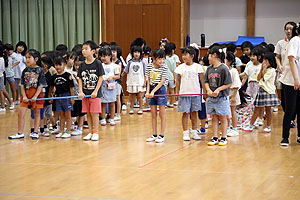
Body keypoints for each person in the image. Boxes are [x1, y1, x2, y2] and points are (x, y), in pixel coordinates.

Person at [8, 49, 47, 140]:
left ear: (36, 59)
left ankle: (35, 132)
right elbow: (22, 84)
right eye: (26, 57)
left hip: (37, 94)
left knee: (37, 113)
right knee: (20, 113)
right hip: (26, 94)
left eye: (29, 57)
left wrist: (35, 96)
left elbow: (41, 85)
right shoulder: (25, 70)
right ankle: (20, 132)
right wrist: (24, 96)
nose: (27, 59)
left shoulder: (40, 70)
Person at [242, 52, 280, 133]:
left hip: (268, 91)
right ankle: (251, 125)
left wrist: (264, 69)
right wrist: (262, 69)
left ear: (271, 61)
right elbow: (259, 78)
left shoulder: (272, 70)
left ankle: (268, 126)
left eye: (266, 60)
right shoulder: (262, 68)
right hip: (261, 90)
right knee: (256, 109)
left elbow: (264, 78)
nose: (264, 62)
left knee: (268, 109)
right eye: (264, 60)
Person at [175, 46, 205, 141]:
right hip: (184, 94)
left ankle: (194, 132)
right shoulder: (180, 68)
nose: (183, 57)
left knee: (194, 114)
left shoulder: (198, 67)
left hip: (195, 94)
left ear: (192, 56)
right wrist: (177, 93)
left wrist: (204, 92)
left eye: (185, 54)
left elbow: (202, 80)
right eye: (182, 54)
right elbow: (178, 81)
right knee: (185, 113)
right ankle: (185, 132)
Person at [205, 46, 232, 146]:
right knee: (214, 118)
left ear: (214, 55)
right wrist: (208, 90)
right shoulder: (209, 69)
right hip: (211, 99)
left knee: (223, 118)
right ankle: (215, 137)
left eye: (209, 55)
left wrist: (218, 89)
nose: (208, 58)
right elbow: (206, 82)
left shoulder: (224, 68)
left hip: (221, 98)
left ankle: (223, 137)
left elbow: (229, 83)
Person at [78, 40, 105, 141]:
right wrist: (80, 91)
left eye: (86, 49)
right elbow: (80, 78)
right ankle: (90, 132)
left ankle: (96, 132)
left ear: (93, 51)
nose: (83, 51)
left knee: (94, 113)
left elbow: (100, 78)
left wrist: (95, 91)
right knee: (88, 113)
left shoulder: (97, 63)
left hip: (95, 94)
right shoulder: (81, 65)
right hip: (85, 94)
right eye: (83, 49)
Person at [279, 23, 300, 146]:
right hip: (290, 81)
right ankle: (285, 137)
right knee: (290, 110)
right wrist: (296, 79)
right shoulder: (295, 41)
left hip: (298, 81)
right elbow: (291, 60)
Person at [145, 49, 168, 143]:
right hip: (151, 90)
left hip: (161, 90)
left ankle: (161, 135)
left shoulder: (164, 68)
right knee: (153, 114)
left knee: (161, 114)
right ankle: (154, 134)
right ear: (154, 59)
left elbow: (162, 82)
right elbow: (148, 80)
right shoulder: (149, 66)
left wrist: (153, 91)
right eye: (159, 59)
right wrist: (147, 91)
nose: (161, 61)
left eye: (163, 59)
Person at [276, 22, 297, 123]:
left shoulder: (296, 42)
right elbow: (277, 57)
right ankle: (290, 118)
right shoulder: (281, 43)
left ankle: (292, 120)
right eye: (287, 29)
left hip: (296, 76)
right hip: (285, 75)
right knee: (284, 101)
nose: (288, 31)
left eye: (291, 29)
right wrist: (279, 65)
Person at [48, 57, 75, 138]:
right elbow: (52, 87)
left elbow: (71, 87)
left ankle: (68, 131)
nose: (58, 67)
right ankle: (62, 130)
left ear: (64, 65)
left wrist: (72, 98)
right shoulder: (54, 76)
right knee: (61, 116)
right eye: (56, 65)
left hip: (66, 96)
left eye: (60, 65)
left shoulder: (68, 75)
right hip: (58, 97)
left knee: (68, 115)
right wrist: (51, 96)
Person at [99, 47, 120, 126]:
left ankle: (111, 118)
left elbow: (118, 76)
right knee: (103, 103)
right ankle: (103, 118)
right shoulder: (100, 65)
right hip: (103, 86)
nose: (103, 58)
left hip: (111, 86)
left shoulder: (114, 66)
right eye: (102, 56)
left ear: (110, 56)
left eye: (105, 56)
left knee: (112, 103)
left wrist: (112, 77)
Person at [123, 45, 146, 114]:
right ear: (132, 53)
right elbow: (125, 71)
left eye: (138, 52)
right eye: (135, 52)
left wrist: (145, 81)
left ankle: (141, 108)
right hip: (132, 81)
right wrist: (120, 76)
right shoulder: (130, 62)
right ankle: (132, 108)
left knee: (140, 96)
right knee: (132, 95)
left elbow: (145, 73)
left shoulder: (142, 63)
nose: (137, 54)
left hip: (140, 82)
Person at [226, 52, 242, 137]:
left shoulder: (234, 71)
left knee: (232, 111)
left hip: (232, 93)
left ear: (230, 61)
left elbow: (236, 84)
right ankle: (228, 128)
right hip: (226, 93)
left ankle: (235, 128)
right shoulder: (224, 69)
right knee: (226, 112)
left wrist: (234, 96)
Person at [111, 45, 123, 121]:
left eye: (114, 52)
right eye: (111, 51)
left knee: (117, 97)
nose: (112, 53)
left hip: (117, 82)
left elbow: (118, 73)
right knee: (112, 98)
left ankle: (118, 113)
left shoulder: (119, 62)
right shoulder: (108, 62)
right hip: (110, 82)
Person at [164, 43, 176, 107]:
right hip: (171, 77)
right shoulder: (172, 59)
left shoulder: (163, 59)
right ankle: (172, 102)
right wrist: (175, 78)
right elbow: (174, 70)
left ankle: (165, 103)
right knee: (172, 90)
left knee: (165, 90)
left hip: (164, 77)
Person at [0, 45, 5, 112]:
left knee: (1, 91)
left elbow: (3, 69)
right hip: (1, 75)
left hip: (0, 76)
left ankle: (3, 105)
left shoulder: (1, 59)